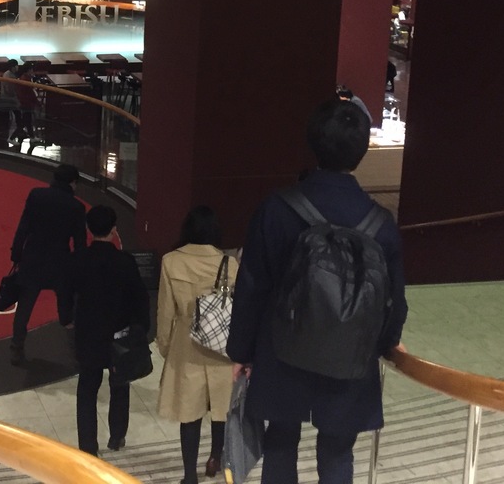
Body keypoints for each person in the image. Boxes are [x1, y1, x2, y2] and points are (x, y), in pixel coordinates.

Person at [226, 99, 408, 484]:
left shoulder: (276, 209)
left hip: (283, 351)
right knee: (338, 452)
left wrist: (241, 351)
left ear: (312, 142)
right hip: (351, 355)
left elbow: (252, 287)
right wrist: (387, 343)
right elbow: (393, 301)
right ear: (362, 150)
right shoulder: (381, 223)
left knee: (279, 442)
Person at [156, 206, 238, 483]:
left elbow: (166, 310)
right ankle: (215, 458)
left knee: (189, 415)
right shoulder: (230, 263)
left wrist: (165, 346)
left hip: (186, 344)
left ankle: (189, 475)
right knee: (221, 409)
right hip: (222, 345)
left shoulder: (171, 261)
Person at [71, 204, 149, 456]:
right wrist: (140, 330)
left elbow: (67, 292)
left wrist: (68, 319)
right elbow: (140, 298)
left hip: (88, 335)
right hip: (119, 335)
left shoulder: (80, 259)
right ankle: (117, 436)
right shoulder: (125, 261)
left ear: (88, 229)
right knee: (120, 385)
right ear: (114, 230)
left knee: (87, 390)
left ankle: (88, 447)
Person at [8, 162, 87, 364]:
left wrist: (16, 253)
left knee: (24, 307)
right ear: (73, 182)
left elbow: (23, 227)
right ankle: (76, 349)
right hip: (60, 260)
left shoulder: (36, 195)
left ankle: (17, 346)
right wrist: (81, 267)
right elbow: (79, 242)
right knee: (66, 305)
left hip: (33, 257)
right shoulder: (76, 207)